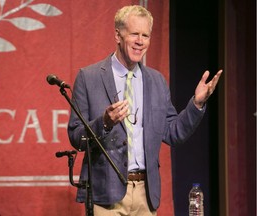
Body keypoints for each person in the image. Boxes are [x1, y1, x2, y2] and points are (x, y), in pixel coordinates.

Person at [68, 5, 222, 216]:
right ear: (117, 35)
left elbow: (173, 133)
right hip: (106, 196)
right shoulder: (89, 77)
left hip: (145, 195)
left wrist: (196, 103)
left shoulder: (156, 80)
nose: (140, 41)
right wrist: (104, 122)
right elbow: (76, 136)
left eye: (145, 35)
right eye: (134, 34)